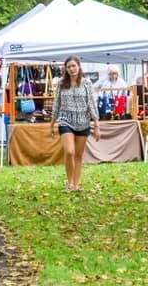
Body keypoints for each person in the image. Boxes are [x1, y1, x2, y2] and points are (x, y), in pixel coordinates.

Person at [49, 56, 101, 192]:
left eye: (74, 66)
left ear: (78, 66)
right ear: (65, 69)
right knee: (70, 152)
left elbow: (91, 104)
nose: (72, 69)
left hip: (83, 122)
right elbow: (56, 104)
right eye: (69, 67)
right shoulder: (61, 83)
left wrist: (96, 125)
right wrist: (52, 123)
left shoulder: (87, 83)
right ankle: (69, 183)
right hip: (66, 120)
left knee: (78, 155)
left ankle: (76, 184)